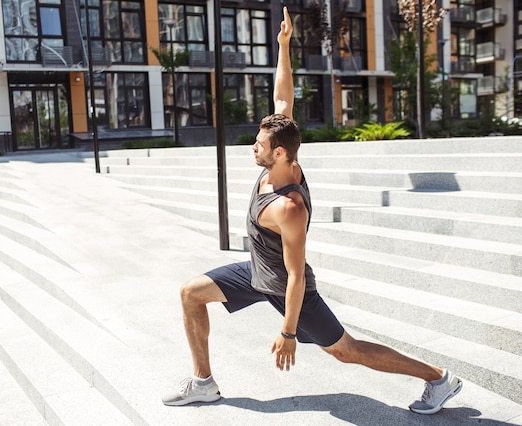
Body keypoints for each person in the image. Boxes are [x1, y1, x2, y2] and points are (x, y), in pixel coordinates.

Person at [162, 7, 462, 415]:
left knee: (346, 351)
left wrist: (288, 332)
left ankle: (438, 379)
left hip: (290, 290)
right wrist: (284, 45)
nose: (254, 147)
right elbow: (282, 96)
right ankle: (203, 382)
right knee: (190, 294)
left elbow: (298, 274)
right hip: (256, 273)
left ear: (280, 153)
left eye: (259, 145)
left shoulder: (289, 206)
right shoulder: (284, 149)